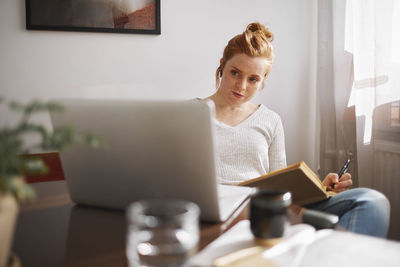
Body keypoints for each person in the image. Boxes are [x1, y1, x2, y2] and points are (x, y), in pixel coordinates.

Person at [201, 22, 390, 238]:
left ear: (263, 80)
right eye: (235, 73)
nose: (242, 86)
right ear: (222, 66)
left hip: (265, 207)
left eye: (253, 79)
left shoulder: (270, 120)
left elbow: (280, 184)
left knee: (372, 201)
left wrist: (320, 188)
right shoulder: (190, 114)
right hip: (221, 210)